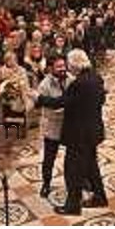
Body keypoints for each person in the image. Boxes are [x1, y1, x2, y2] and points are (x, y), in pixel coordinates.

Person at [49, 49, 108, 216]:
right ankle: (100, 197)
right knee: (91, 167)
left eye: (69, 65)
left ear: (74, 64)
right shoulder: (97, 78)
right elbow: (101, 99)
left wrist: (39, 99)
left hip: (79, 134)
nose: (68, 68)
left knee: (72, 170)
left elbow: (62, 102)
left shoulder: (79, 83)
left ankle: (73, 206)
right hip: (93, 131)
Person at [35, 56, 72, 198]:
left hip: (69, 124)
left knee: (75, 155)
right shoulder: (45, 85)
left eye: (64, 65)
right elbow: (47, 107)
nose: (63, 69)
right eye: (59, 66)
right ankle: (46, 183)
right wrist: (63, 105)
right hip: (52, 126)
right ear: (51, 69)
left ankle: (82, 180)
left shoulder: (71, 79)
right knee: (49, 158)